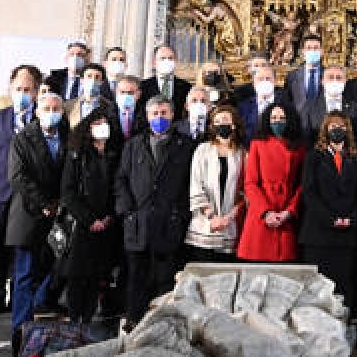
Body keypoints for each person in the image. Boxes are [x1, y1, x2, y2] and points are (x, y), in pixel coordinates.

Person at [115, 96, 194, 328]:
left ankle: (163, 329)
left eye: (164, 113)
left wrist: (180, 214)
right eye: (155, 114)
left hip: (169, 224)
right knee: (135, 280)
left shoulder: (186, 145)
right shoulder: (134, 144)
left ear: (172, 115)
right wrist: (127, 211)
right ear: (148, 117)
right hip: (137, 224)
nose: (159, 118)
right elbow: (121, 179)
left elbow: (190, 183)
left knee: (165, 281)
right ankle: (134, 325)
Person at [0, 65, 42, 319]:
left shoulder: (43, 116)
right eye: (18, 89)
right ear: (11, 89)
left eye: (27, 89)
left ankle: (19, 299)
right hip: (0, 191)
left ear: (36, 92)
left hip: (28, 196)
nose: (22, 93)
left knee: (22, 250)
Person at [7, 92, 70, 338]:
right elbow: (18, 176)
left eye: (56, 109)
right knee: (25, 274)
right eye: (47, 109)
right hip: (29, 214)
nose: (52, 113)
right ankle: (20, 330)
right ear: (37, 112)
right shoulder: (22, 139)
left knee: (56, 265)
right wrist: (43, 203)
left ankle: (42, 304)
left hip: (57, 214)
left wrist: (60, 203)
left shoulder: (67, 136)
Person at [58, 108, 121, 324]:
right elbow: (68, 192)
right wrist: (90, 220)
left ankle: (87, 319)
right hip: (82, 227)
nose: (102, 127)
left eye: (105, 123)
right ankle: (75, 320)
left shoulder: (114, 154)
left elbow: (117, 188)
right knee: (78, 278)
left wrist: (109, 216)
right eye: (97, 123)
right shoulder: (77, 154)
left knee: (97, 277)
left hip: (106, 226)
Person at [299, 112, 357, 309]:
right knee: (318, 289)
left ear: (348, 130)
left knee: (344, 286)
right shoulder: (313, 157)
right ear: (325, 130)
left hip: (346, 235)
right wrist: (330, 219)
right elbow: (309, 193)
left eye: (341, 127)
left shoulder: (356, 158)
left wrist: (352, 219)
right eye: (333, 127)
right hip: (319, 234)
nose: (337, 130)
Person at [237, 102, 306, 261]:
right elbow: (250, 183)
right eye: (273, 118)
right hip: (261, 214)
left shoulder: (299, 147)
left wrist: (289, 211)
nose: (277, 122)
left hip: (286, 214)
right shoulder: (257, 144)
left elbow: (302, 185)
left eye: (282, 118)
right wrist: (266, 212)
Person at [184, 104, 247, 261]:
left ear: (234, 125)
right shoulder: (203, 150)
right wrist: (212, 217)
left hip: (231, 225)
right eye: (216, 122)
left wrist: (228, 218)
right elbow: (196, 184)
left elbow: (245, 190)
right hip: (205, 226)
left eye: (224, 120)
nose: (221, 124)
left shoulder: (243, 153)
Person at [303, 64, 357, 150]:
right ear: (322, 81)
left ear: (345, 81)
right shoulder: (310, 107)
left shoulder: (355, 108)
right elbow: (306, 139)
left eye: (339, 78)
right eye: (330, 77)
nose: (335, 81)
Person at [236, 64, 287, 141]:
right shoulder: (243, 106)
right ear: (253, 83)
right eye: (260, 79)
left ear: (275, 81)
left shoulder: (286, 104)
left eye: (268, 78)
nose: (264, 82)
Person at [140, 44, 190, 118]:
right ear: (154, 63)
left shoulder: (186, 87)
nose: (167, 61)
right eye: (162, 58)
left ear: (175, 62)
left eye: (170, 58)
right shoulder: (143, 86)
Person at [285, 35, 325, 123]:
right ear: (303, 51)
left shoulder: (328, 74)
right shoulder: (292, 76)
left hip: (323, 123)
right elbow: (288, 102)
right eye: (309, 48)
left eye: (316, 48)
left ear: (322, 51)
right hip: (299, 123)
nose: (312, 51)